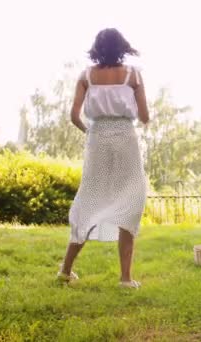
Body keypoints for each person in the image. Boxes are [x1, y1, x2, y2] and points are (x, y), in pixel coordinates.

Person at [57, 28, 149, 288]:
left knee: (90, 197)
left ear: (96, 48)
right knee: (131, 197)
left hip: (97, 138)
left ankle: (65, 270)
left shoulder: (86, 75)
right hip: (125, 137)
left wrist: (91, 131)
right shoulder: (133, 75)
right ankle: (125, 278)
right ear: (123, 47)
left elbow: (74, 115)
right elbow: (144, 114)